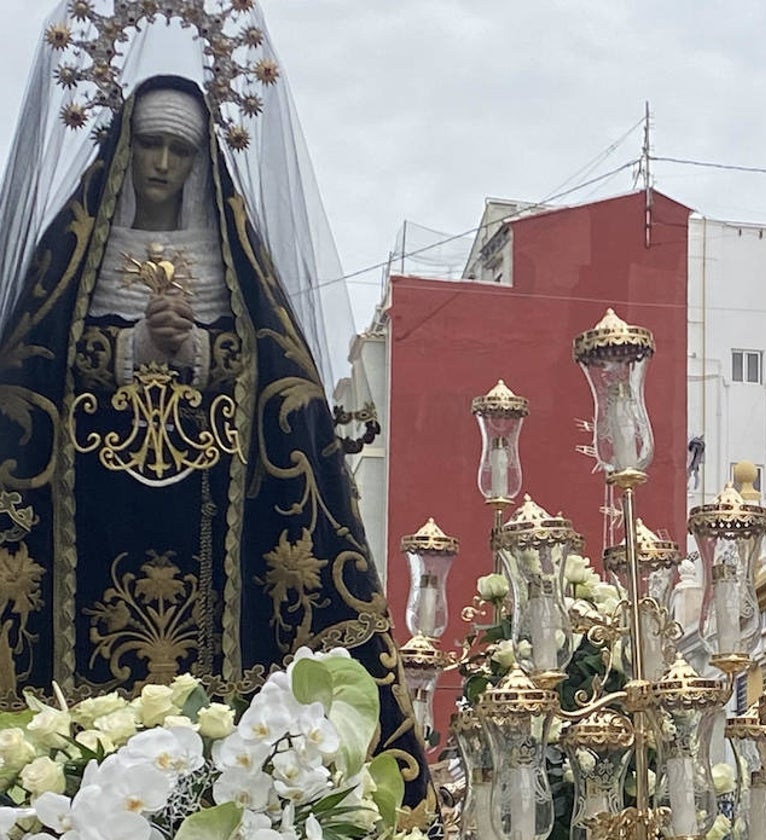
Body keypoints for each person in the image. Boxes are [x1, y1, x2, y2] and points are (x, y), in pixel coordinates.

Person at [0, 5, 434, 825]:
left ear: (202, 158)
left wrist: (201, 357)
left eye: (180, 148)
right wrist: (127, 355)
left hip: (217, 556)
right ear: (123, 148)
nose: (162, 163)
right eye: (149, 144)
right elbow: (25, 377)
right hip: (84, 532)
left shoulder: (235, 271)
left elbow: (289, 399)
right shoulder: (72, 258)